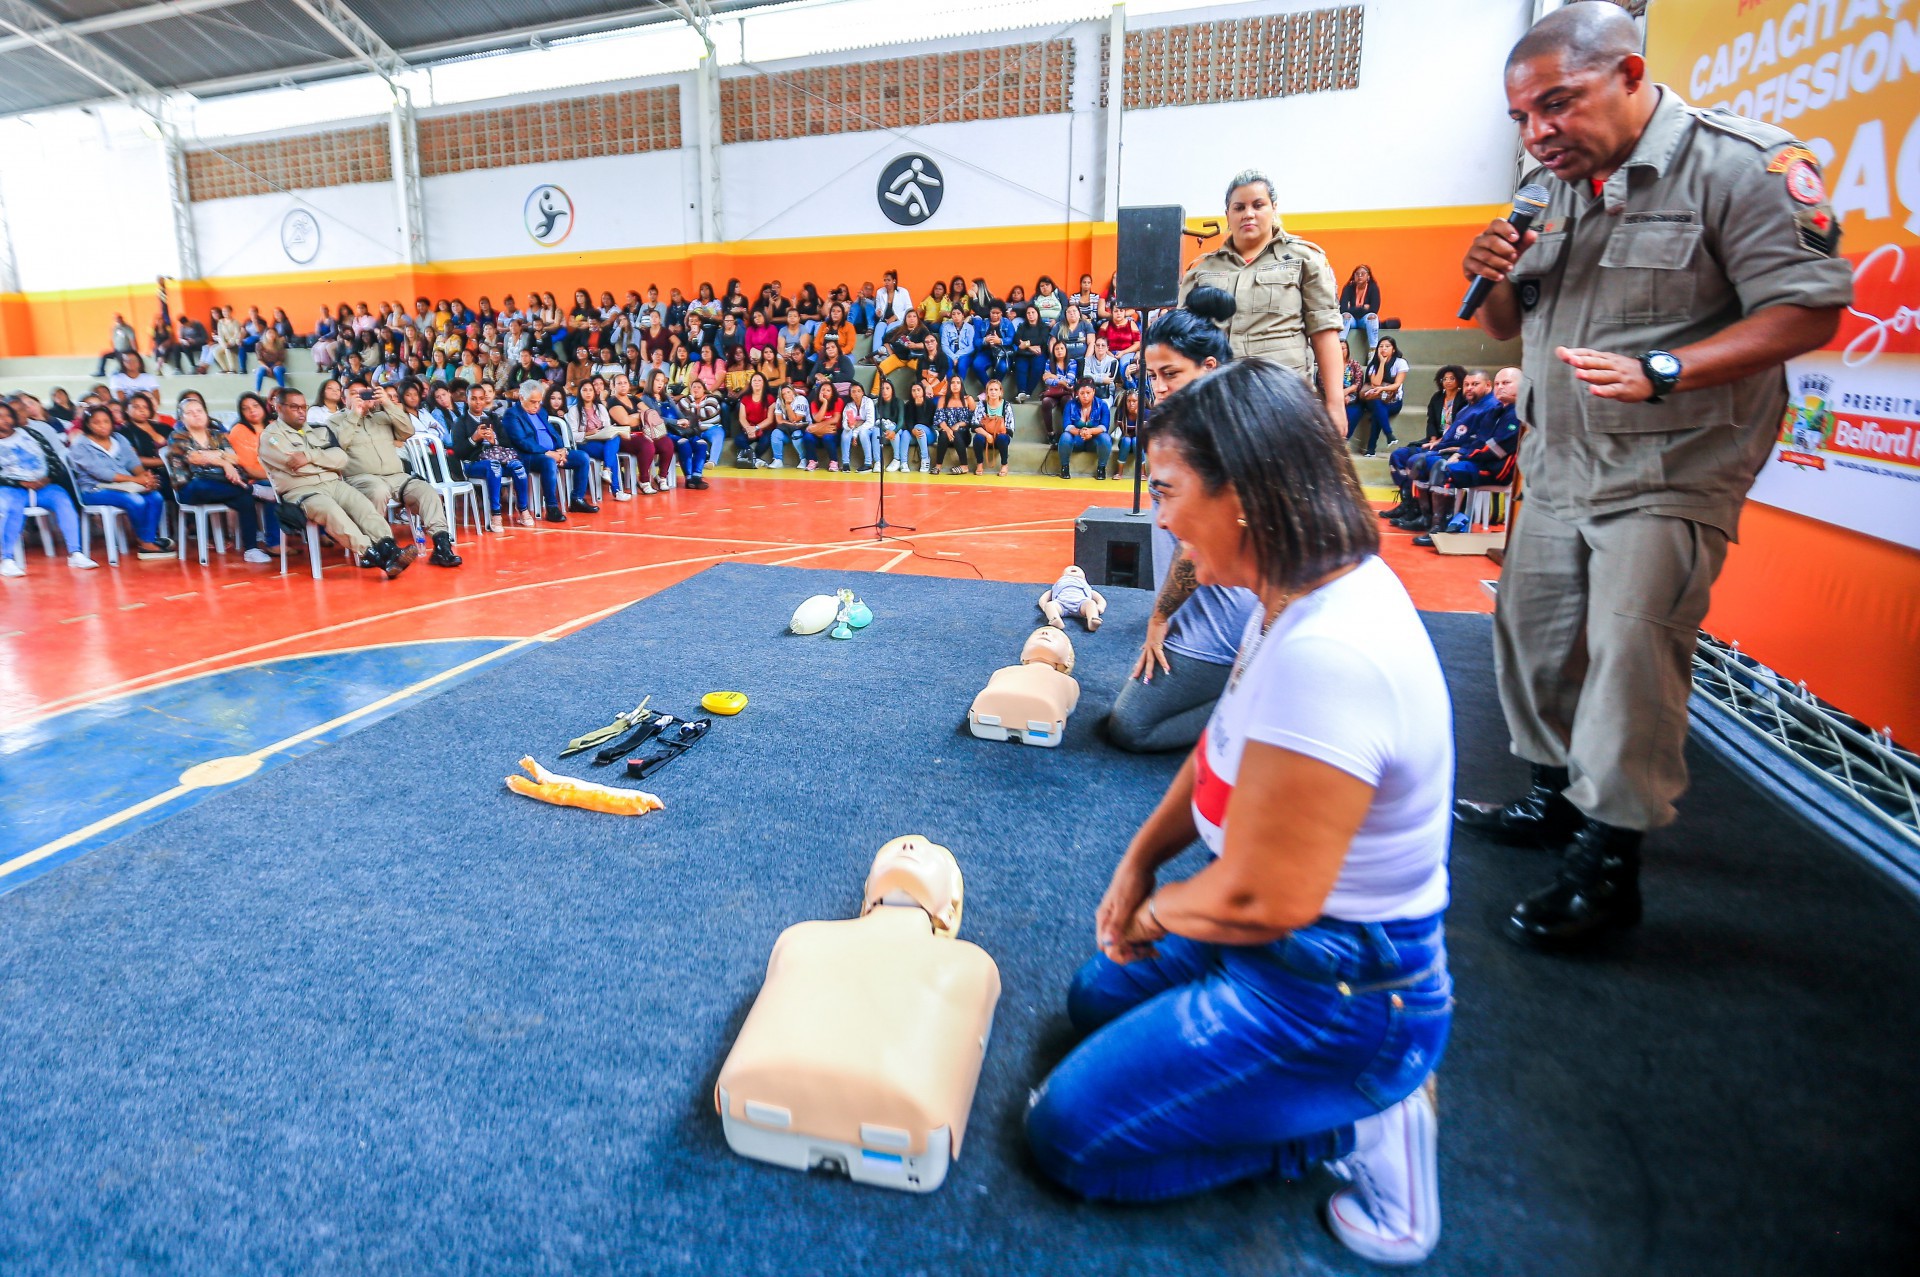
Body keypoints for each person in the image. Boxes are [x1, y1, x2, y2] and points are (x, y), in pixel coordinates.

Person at [1024, 360, 1453, 1267]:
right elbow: (1217, 752)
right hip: (1285, 941)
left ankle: (1358, 1123)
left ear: (1249, 495)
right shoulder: (1287, 597)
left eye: (1172, 493)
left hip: (1339, 982)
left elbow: (1266, 898)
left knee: (1067, 1134)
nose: (1164, 519)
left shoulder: (1333, 650)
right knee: (1092, 995)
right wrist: (1140, 860)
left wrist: (1155, 911)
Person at [1456, 3, 1853, 949]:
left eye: (1557, 104)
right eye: (1521, 117)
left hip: (1674, 464)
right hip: (1558, 459)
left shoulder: (1739, 165)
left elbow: (1806, 312)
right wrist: (1493, 278)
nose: (1538, 131)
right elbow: (1504, 328)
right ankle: (1558, 794)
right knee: (1535, 636)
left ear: (1630, 75)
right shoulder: (1544, 187)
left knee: (1632, 656)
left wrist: (1665, 369)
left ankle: (1609, 857)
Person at [1108, 288, 1257, 755]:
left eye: (1171, 373)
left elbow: (1192, 547)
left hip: (1221, 613)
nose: (1159, 386)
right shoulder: (1207, 422)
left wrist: (1159, 617)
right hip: (1206, 603)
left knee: (1130, 727)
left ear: (1209, 368)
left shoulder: (1216, 436)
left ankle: (1256, 703)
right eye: (1153, 375)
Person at [1180, 169, 1344, 426]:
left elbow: (1324, 332)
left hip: (1284, 403)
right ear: (1227, 215)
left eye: (1258, 205)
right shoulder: (1201, 270)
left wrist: (1335, 404)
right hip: (1219, 404)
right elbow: (1184, 343)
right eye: (1239, 207)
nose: (1248, 213)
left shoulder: (1305, 259)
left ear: (1273, 208)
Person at [259, 388, 414, 578]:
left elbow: (341, 459)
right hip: (302, 491)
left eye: (304, 407)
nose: (301, 411)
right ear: (279, 407)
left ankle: (389, 547)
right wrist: (325, 462)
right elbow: (293, 466)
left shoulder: (318, 429)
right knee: (333, 512)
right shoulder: (271, 437)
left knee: (362, 505)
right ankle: (373, 555)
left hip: (333, 484)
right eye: (294, 407)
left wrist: (308, 456)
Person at [335, 382, 462, 566]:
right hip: (361, 478)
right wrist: (354, 414)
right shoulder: (335, 421)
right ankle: (376, 549)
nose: (361, 398)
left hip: (396, 476)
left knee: (425, 490)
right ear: (343, 399)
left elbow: (408, 431)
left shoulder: (382, 416)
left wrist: (388, 403)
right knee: (377, 490)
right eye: (354, 394)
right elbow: (338, 445)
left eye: (364, 393)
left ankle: (441, 545)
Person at [1383, 370, 1498, 531]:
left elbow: (1479, 442)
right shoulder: (1468, 407)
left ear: (1488, 385)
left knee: (1419, 461)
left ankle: (1431, 518)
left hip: (1460, 454)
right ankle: (1410, 506)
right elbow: (1441, 428)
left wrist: (1458, 451)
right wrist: (1436, 441)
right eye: (1467, 385)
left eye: (1475, 384)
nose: (1469, 388)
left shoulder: (1491, 407)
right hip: (1441, 445)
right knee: (1399, 455)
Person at [166, 396, 274, 563]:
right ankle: (253, 490)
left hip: (221, 485)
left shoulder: (217, 435)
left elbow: (235, 458)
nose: (196, 415)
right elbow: (194, 457)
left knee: (244, 500)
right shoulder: (177, 436)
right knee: (201, 485)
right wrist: (223, 462)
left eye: (199, 411)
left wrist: (220, 458)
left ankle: (251, 549)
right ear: (182, 418)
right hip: (189, 488)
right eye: (190, 412)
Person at [0, 401, 96, 574]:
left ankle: (76, 553)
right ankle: (6, 559)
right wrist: (20, 483)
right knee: (11, 508)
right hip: (12, 489)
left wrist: (47, 478)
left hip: (43, 486)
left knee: (63, 499)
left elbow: (53, 460)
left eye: (7, 415)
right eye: (0, 416)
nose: (5, 419)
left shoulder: (31, 434)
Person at [66, 405, 172, 558]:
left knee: (155, 497)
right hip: (94, 489)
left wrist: (145, 478)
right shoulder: (81, 445)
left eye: (106, 421)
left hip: (123, 485)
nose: (102, 426)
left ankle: (148, 540)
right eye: (97, 422)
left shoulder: (119, 438)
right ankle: (146, 542)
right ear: (88, 424)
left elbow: (132, 462)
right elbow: (102, 473)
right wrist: (137, 480)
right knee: (136, 501)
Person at [500, 380, 599, 520]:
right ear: (521, 398)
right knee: (548, 462)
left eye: (538, 402)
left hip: (552, 453)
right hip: (530, 456)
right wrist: (547, 453)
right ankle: (552, 508)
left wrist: (561, 449)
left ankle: (577, 499)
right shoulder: (512, 414)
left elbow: (553, 432)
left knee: (582, 457)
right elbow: (522, 441)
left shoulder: (541, 411)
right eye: (533, 401)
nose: (536, 406)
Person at [452, 382, 531, 528]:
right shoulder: (460, 422)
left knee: (518, 466)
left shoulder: (493, 418)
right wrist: (474, 439)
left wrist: (494, 440)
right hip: (473, 464)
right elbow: (458, 452)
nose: (478, 402)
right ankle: (496, 514)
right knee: (493, 466)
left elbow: (507, 442)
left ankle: (523, 510)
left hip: (498, 459)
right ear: (466, 400)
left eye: (481, 398)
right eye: (473, 399)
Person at [566, 380, 628, 502]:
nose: (588, 393)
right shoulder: (574, 410)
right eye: (584, 390)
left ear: (594, 393)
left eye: (590, 390)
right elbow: (572, 436)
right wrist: (589, 433)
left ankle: (607, 470)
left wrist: (603, 430)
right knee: (611, 455)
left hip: (602, 439)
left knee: (615, 437)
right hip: (584, 442)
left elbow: (607, 426)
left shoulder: (600, 408)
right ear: (580, 392)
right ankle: (616, 490)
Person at [1356, 335, 1408, 457]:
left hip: (1393, 401)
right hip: (1374, 400)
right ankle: (1389, 435)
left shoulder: (1401, 363)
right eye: (1381, 346)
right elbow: (1376, 383)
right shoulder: (1373, 365)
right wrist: (1382, 363)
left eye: (1387, 346)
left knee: (1377, 413)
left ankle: (1371, 449)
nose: (1383, 349)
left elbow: (1397, 384)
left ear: (1393, 349)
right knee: (1377, 404)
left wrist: (1382, 389)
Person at [1058, 379, 1112, 480]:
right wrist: (1080, 432)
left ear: (1094, 392)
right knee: (1065, 436)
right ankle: (1064, 467)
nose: (1085, 396)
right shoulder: (1070, 405)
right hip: (1077, 440)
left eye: (1088, 393)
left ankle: (1101, 468)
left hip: (1094, 441)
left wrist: (1090, 431)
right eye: (1082, 393)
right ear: (1077, 393)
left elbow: (1104, 426)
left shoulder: (1102, 405)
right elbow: (1067, 426)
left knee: (1105, 438)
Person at [676, 379, 725, 486]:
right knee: (685, 437)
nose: (696, 389)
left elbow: (707, 412)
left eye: (699, 387)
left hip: (711, 428)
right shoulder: (688, 399)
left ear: (704, 390)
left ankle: (712, 461)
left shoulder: (711, 398)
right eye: (694, 387)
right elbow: (678, 409)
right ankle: (684, 462)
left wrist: (691, 411)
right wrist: (691, 399)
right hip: (694, 430)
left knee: (719, 434)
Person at [929, 376, 973, 475]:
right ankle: (938, 466)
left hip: (963, 435)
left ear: (962, 385)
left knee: (956, 432)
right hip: (947, 435)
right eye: (953, 383)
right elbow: (939, 418)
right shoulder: (943, 399)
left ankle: (964, 466)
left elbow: (973, 419)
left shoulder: (968, 399)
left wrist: (959, 424)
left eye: (958, 383)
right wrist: (948, 429)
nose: (955, 385)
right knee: (943, 433)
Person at [969, 378, 1012, 477]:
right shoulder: (981, 405)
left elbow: (1009, 427)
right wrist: (988, 435)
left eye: (996, 390)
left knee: (1002, 438)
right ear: (987, 392)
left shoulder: (1006, 405)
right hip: (986, 437)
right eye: (991, 389)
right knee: (978, 438)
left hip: (1000, 436)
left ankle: (1004, 464)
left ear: (1001, 392)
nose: (993, 392)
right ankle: (979, 464)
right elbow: (975, 424)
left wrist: (997, 432)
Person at [733, 372, 776, 468]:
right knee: (738, 439)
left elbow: (770, 419)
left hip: (765, 428)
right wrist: (749, 429)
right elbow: (742, 417)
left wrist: (755, 428)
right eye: (754, 380)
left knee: (765, 441)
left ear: (763, 383)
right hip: (749, 427)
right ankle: (755, 459)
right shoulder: (745, 398)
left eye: (759, 380)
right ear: (751, 383)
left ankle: (752, 458)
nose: (756, 382)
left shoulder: (770, 398)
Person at [1339, 264, 1382, 354]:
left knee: (1373, 317)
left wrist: (1352, 308)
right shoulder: (1348, 288)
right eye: (1357, 274)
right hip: (1352, 320)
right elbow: (1343, 309)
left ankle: (1373, 351)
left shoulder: (1373, 288)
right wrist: (1363, 308)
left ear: (1368, 276)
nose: (1360, 276)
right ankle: (1340, 346)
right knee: (1345, 316)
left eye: (1363, 273)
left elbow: (1374, 309)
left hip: (1364, 320)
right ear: (1353, 276)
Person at [838, 382, 881, 473]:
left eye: (858, 391)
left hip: (868, 428)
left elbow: (870, 422)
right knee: (845, 433)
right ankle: (846, 463)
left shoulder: (868, 401)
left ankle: (868, 463)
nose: (856, 394)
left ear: (862, 392)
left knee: (863, 433)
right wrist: (849, 426)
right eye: (853, 391)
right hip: (853, 428)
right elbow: (844, 423)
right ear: (850, 394)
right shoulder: (848, 406)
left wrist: (855, 434)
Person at [801, 382, 843, 473]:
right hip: (819, 433)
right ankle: (813, 461)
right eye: (823, 390)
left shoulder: (838, 401)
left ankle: (834, 461)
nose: (825, 392)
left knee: (827, 437)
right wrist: (824, 403)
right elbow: (818, 419)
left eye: (828, 390)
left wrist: (815, 427)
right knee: (807, 436)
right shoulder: (814, 403)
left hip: (833, 434)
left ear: (833, 392)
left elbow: (835, 420)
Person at [769, 382, 811, 469]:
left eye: (788, 392)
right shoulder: (779, 401)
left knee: (796, 434)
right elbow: (779, 421)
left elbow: (796, 419)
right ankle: (778, 460)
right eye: (784, 394)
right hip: (788, 428)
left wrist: (788, 405)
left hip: (803, 429)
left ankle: (803, 459)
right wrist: (791, 423)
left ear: (793, 391)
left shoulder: (801, 399)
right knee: (776, 433)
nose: (787, 395)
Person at [1110, 387, 1143, 477]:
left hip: (1140, 444)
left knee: (1136, 440)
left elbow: (1144, 434)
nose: (1131, 404)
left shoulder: (1145, 413)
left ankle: (1142, 472)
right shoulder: (1121, 413)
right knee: (1127, 440)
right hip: (1125, 443)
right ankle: (1119, 472)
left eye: (1134, 401)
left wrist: (1138, 416)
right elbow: (1123, 433)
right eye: (1128, 401)